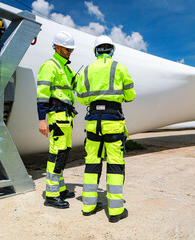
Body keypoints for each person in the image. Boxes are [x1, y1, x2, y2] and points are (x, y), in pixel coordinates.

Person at [75, 35, 136, 222]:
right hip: (113, 122)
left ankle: (88, 206)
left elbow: (82, 98)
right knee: (115, 164)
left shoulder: (86, 70)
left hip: (93, 122)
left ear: (95, 51)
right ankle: (116, 212)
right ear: (111, 50)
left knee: (92, 163)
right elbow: (130, 95)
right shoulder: (120, 68)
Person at [36, 31, 77, 209]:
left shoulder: (66, 68)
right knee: (56, 155)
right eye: (67, 50)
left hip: (66, 118)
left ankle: (59, 189)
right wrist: (41, 120)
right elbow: (42, 95)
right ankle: (51, 196)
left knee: (63, 153)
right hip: (57, 117)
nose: (70, 53)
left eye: (71, 50)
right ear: (58, 47)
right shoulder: (50, 66)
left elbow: (76, 86)